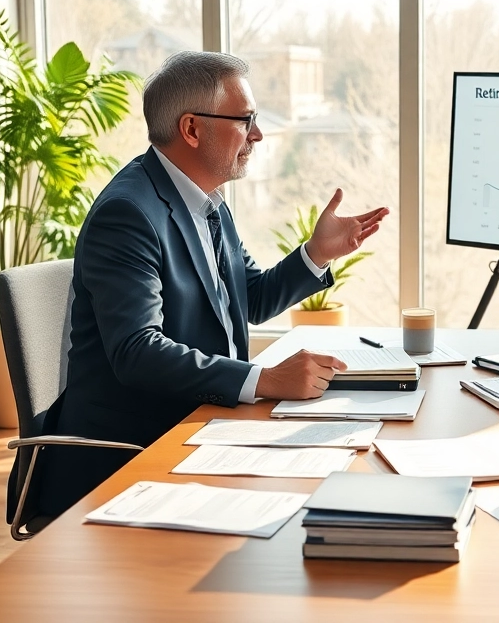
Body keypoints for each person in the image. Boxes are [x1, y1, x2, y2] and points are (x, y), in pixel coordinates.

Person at [30, 51, 389, 517]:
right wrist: (265, 379)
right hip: (129, 455)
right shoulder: (129, 214)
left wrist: (316, 253)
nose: (257, 134)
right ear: (192, 129)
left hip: (200, 425)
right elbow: (136, 350)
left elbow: (249, 299)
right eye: (245, 120)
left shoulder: (207, 201)